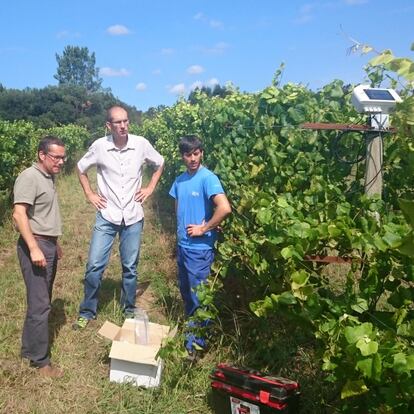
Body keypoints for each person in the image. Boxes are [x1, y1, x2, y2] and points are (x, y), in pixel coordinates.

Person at [73, 105, 164, 329]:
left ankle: (128, 309)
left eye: (125, 121)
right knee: (95, 265)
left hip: (133, 215)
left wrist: (150, 187)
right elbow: (80, 167)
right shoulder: (100, 147)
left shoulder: (141, 144)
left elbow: (160, 162)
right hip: (107, 214)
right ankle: (87, 311)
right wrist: (89, 194)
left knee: (130, 266)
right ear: (109, 125)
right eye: (118, 122)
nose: (123, 125)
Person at [169, 135, 231, 353]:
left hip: (200, 250)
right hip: (183, 247)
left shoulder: (208, 178)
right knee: (187, 294)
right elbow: (179, 210)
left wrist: (205, 228)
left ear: (202, 153)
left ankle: (195, 347)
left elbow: (224, 208)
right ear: (182, 156)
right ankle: (192, 334)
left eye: (196, 153)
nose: (193, 158)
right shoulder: (179, 181)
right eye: (188, 155)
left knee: (199, 298)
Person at [13, 136, 66, 378]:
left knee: (40, 299)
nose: (61, 162)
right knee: (41, 304)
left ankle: (28, 350)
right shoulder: (30, 177)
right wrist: (34, 247)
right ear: (41, 155)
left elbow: (43, 214)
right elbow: (19, 215)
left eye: (63, 157)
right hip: (35, 245)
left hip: (47, 244)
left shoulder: (47, 176)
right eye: (56, 157)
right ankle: (40, 362)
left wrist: (55, 244)